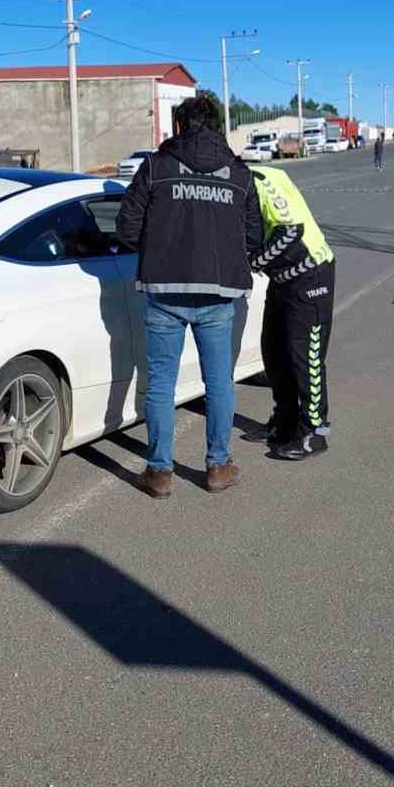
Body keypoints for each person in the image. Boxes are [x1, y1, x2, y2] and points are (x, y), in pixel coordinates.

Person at [117, 94, 263, 498]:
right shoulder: (240, 174)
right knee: (218, 381)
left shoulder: (154, 167)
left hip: (164, 289)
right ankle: (218, 466)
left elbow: (127, 227)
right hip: (219, 292)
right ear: (216, 127)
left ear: (178, 127)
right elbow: (254, 236)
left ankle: (159, 472)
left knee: (162, 383)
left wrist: (159, 247)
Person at [248, 164, 336, 459]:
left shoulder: (259, 180)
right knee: (273, 352)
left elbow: (291, 230)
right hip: (282, 277)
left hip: (311, 273)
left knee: (305, 358)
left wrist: (253, 261)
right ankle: (285, 420)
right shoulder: (245, 178)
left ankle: (315, 432)